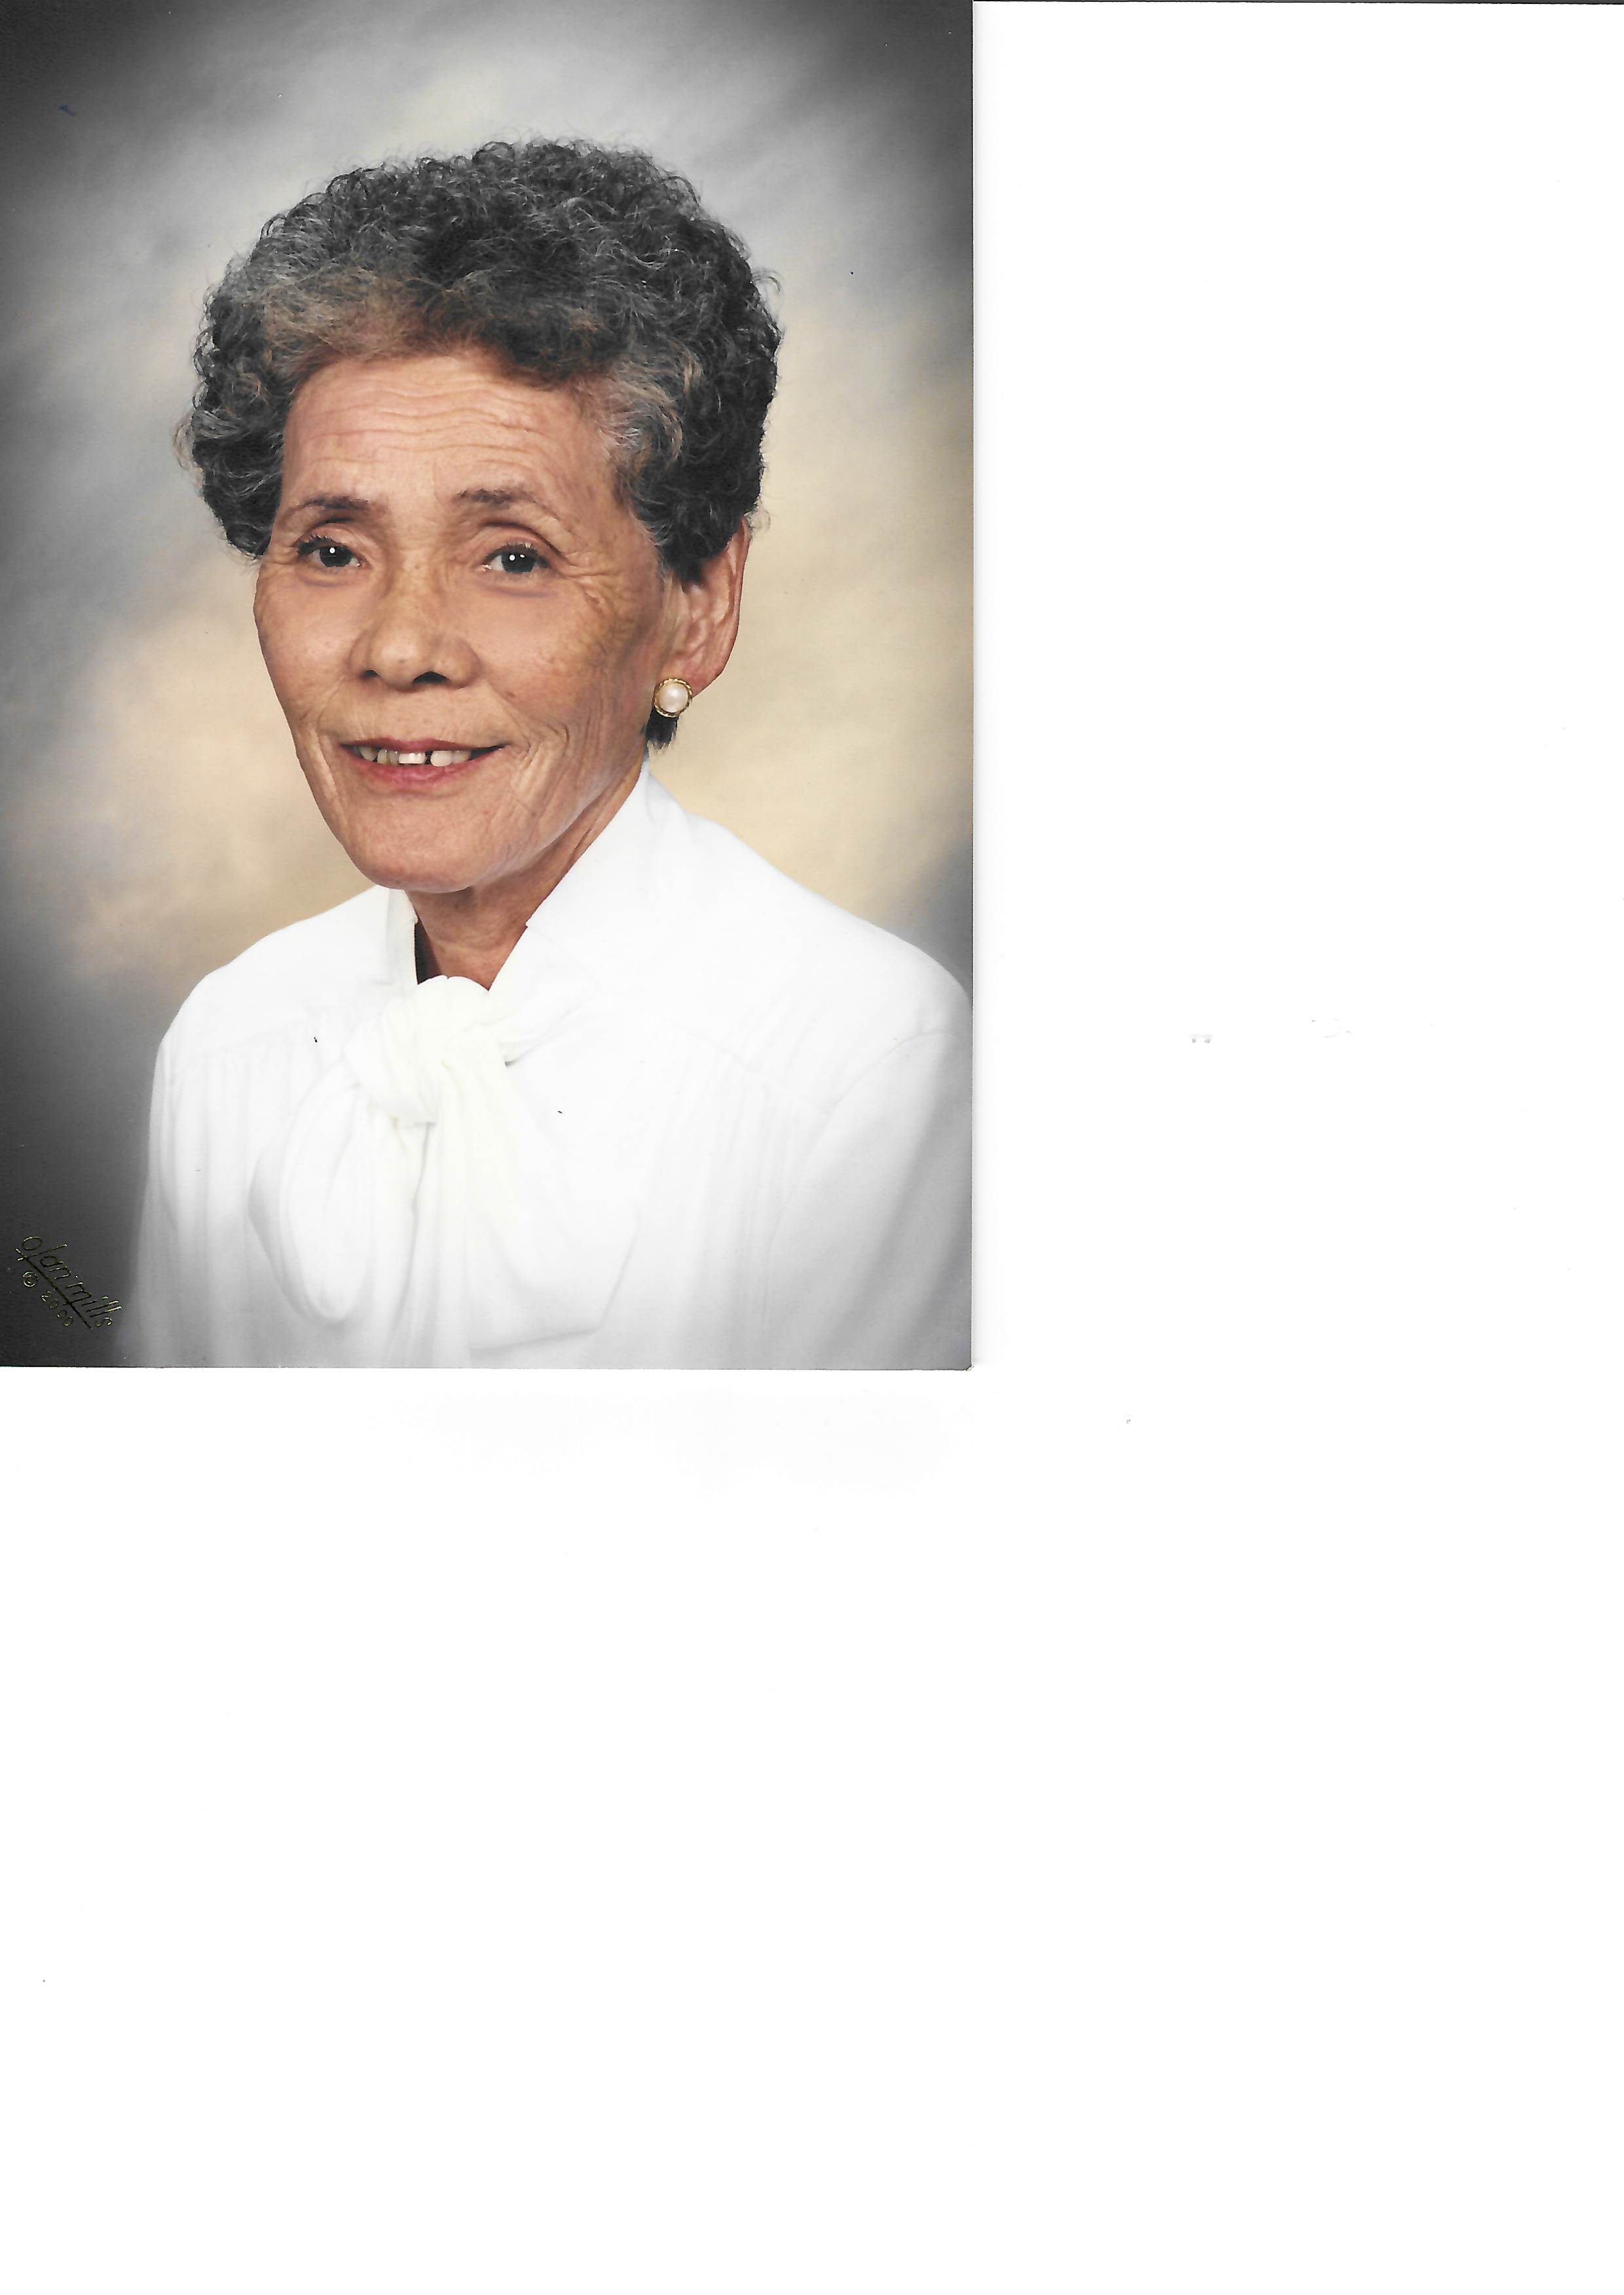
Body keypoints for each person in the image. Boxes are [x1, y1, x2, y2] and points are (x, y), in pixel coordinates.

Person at [132, 138, 969, 1370]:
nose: (400, 648)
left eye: (512, 556)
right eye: (332, 549)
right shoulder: (227, 1040)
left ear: (699, 606)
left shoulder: (865, 1061)